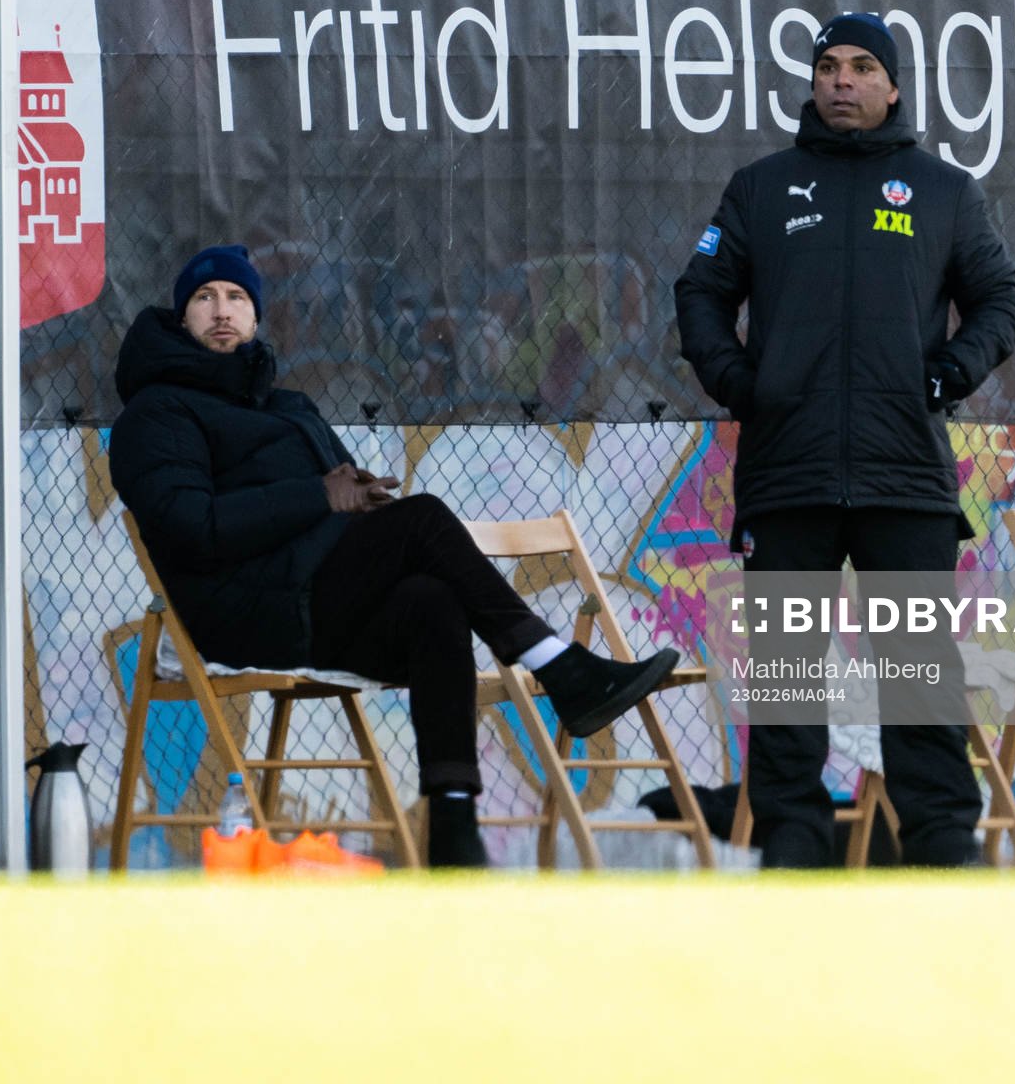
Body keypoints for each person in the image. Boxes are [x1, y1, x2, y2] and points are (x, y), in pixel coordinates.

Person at [109, 244, 680, 867]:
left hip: (310, 597)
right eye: (205, 297)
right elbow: (196, 527)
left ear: (255, 316)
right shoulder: (156, 414)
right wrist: (319, 495)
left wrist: (360, 500)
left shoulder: (287, 407)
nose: (222, 310)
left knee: (432, 602)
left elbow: (337, 503)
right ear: (182, 317)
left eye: (237, 297)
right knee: (424, 518)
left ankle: (454, 832)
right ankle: (562, 669)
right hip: (243, 612)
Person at [675, 12, 1015, 869]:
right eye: (828, 65)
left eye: (863, 67)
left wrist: (946, 375)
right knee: (787, 670)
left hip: (904, 471)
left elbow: (1001, 299)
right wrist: (743, 385)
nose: (842, 80)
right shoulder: (762, 187)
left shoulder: (943, 190)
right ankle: (794, 842)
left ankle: (943, 842)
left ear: (894, 87)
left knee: (918, 668)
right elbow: (700, 293)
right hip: (787, 470)